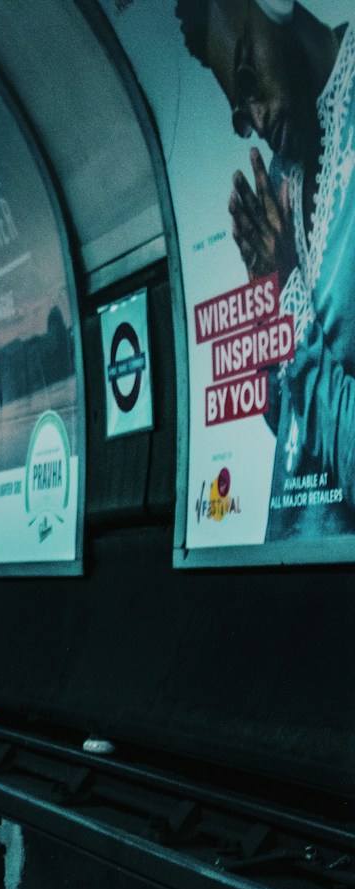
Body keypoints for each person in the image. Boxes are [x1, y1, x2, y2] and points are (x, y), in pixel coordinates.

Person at [178, 0, 355, 537]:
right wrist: (266, 297)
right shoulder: (279, 176)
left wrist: (293, 301)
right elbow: (288, 425)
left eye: (249, 76)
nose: (256, 119)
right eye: (239, 114)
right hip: (291, 567)